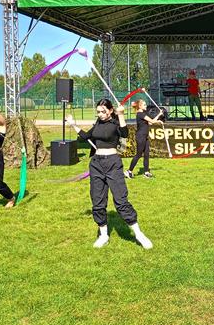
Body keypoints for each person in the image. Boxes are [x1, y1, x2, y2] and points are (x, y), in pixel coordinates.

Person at [66, 100, 153, 249]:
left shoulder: (115, 123)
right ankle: (104, 234)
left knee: (121, 201)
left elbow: (125, 134)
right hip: (96, 164)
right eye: (98, 112)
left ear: (110, 110)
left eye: (102, 111)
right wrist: (73, 124)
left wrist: (121, 115)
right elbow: (86, 137)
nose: (100, 114)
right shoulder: (98, 124)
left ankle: (138, 234)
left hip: (113, 163)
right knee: (98, 201)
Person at [125, 99, 163, 179]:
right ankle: (129, 171)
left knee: (146, 155)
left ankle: (146, 172)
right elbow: (152, 121)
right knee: (138, 154)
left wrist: (159, 115)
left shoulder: (143, 114)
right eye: (144, 105)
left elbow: (149, 122)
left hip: (145, 136)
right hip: (140, 136)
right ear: (140, 106)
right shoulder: (140, 114)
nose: (146, 106)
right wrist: (158, 120)